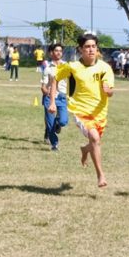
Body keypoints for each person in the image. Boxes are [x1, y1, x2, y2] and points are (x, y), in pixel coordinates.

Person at [49, 33, 114, 187]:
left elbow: (110, 91)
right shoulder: (73, 67)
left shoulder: (105, 68)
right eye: (87, 47)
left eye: (93, 46)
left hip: (100, 112)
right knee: (95, 138)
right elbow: (55, 79)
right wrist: (52, 102)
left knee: (95, 141)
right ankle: (101, 176)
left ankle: (85, 150)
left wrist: (108, 91)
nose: (91, 50)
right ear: (80, 49)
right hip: (80, 111)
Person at [42, 43, 69, 151]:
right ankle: (54, 144)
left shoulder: (66, 66)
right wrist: (46, 92)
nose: (59, 53)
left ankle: (58, 122)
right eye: (56, 50)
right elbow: (43, 87)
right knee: (50, 123)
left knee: (63, 121)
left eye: (60, 51)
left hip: (62, 97)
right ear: (51, 53)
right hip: (49, 98)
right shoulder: (47, 68)